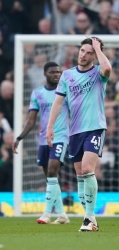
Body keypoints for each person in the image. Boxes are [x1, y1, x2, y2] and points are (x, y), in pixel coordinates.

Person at [46, 37, 112, 232]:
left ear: (95, 55)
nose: (84, 55)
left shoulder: (98, 74)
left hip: (95, 127)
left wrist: (98, 48)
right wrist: (50, 127)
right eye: (82, 51)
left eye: (89, 53)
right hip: (74, 131)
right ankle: (88, 218)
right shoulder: (67, 76)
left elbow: (107, 68)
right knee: (80, 176)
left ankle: (90, 218)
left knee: (86, 168)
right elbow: (58, 103)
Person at [12, 62, 70, 224]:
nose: (56, 74)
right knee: (51, 179)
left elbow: (75, 112)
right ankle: (62, 215)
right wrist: (19, 138)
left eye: (58, 72)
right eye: (53, 72)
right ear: (45, 74)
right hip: (43, 140)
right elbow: (31, 121)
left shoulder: (65, 92)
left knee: (52, 172)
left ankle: (46, 213)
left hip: (60, 137)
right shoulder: (37, 93)